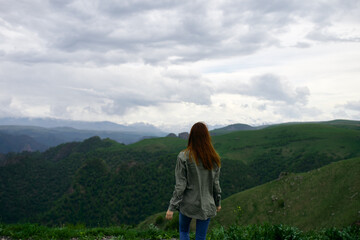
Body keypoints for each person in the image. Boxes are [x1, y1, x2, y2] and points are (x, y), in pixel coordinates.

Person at [165, 122, 221, 240]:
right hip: (207, 204)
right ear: (207, 137)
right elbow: (216, 184)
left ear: (191, 137)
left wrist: (171, 207)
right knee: (201, 236)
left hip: (188, 204)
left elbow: (180, 186)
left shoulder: (183, 156)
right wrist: (218, 202)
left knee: (184, 231)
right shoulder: (214, 158)